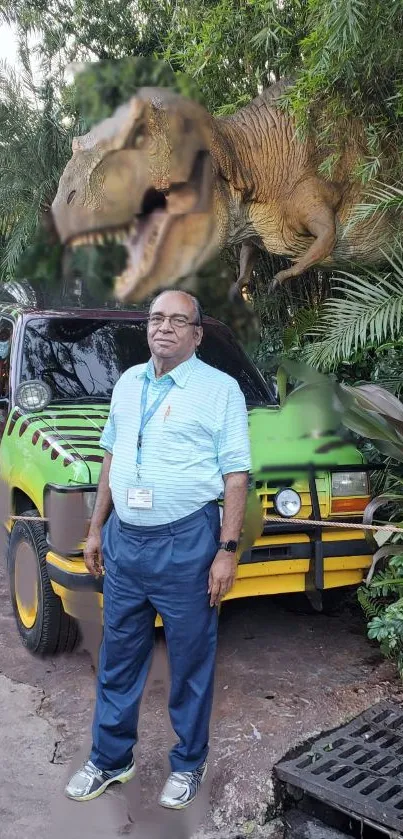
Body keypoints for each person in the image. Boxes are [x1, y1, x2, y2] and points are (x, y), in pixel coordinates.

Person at [65, 290, 251, 808]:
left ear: (197, 334)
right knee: (118, 658)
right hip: (126, 542)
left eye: (177, 320)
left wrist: (226, 550)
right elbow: (111, 458)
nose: (164, 328)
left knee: (190, 661)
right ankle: (110, 758)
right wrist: (97, 528)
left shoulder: (221, 390)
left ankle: (189, 761)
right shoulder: (127, 383)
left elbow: (236, 476)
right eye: (156, 319)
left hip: (187, 545)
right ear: (147, 328)